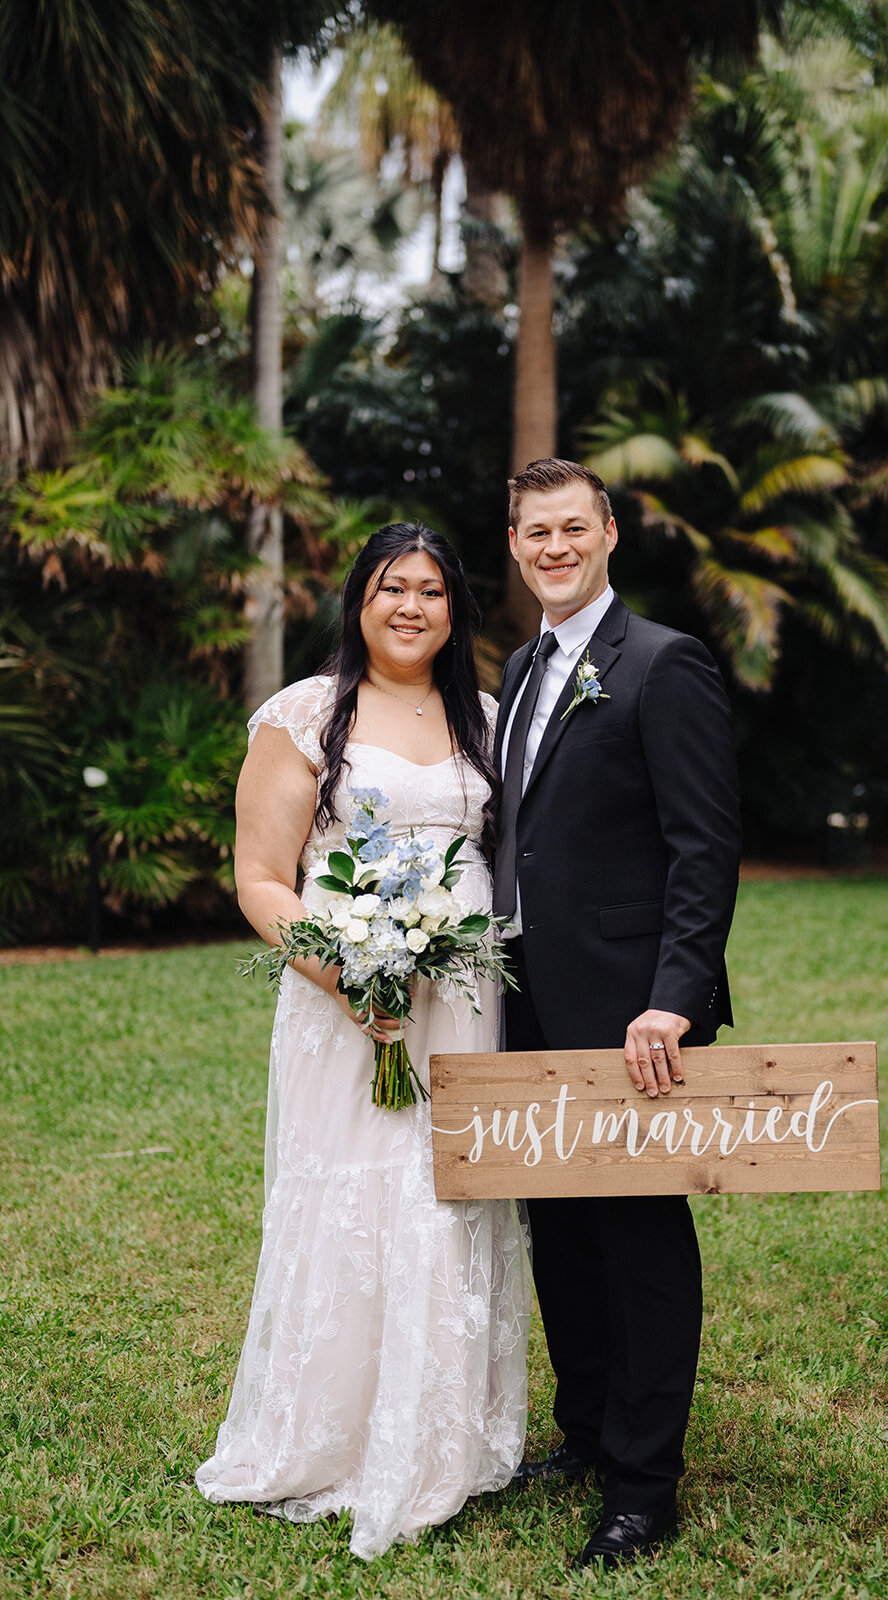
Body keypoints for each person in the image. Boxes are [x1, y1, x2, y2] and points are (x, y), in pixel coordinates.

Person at [196, 523, 529, 1560]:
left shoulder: (486, 716)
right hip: (347, 998)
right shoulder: (306, 715)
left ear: (453, 607)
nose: (412, 606)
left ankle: (445, 1437)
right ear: (359, 599)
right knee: (356, 1186)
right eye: (393, 587)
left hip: (466, 994)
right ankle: (331, 1431)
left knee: (448, 1190)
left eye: (432, 590)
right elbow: (261, 875)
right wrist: (347, 972)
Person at [495, 459, 742, 1569]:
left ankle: (645, 1487)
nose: (553, 546)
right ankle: (589, 1434)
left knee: (640, 1239)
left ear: (606, 534)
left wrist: (673, 1000)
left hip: (636, 1019)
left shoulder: (662, 662)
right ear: (515, 546)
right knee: (562, 1236)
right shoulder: (518, 665)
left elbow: (704, 846)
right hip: (528, 1010)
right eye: (533, 531)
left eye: (570, 527)